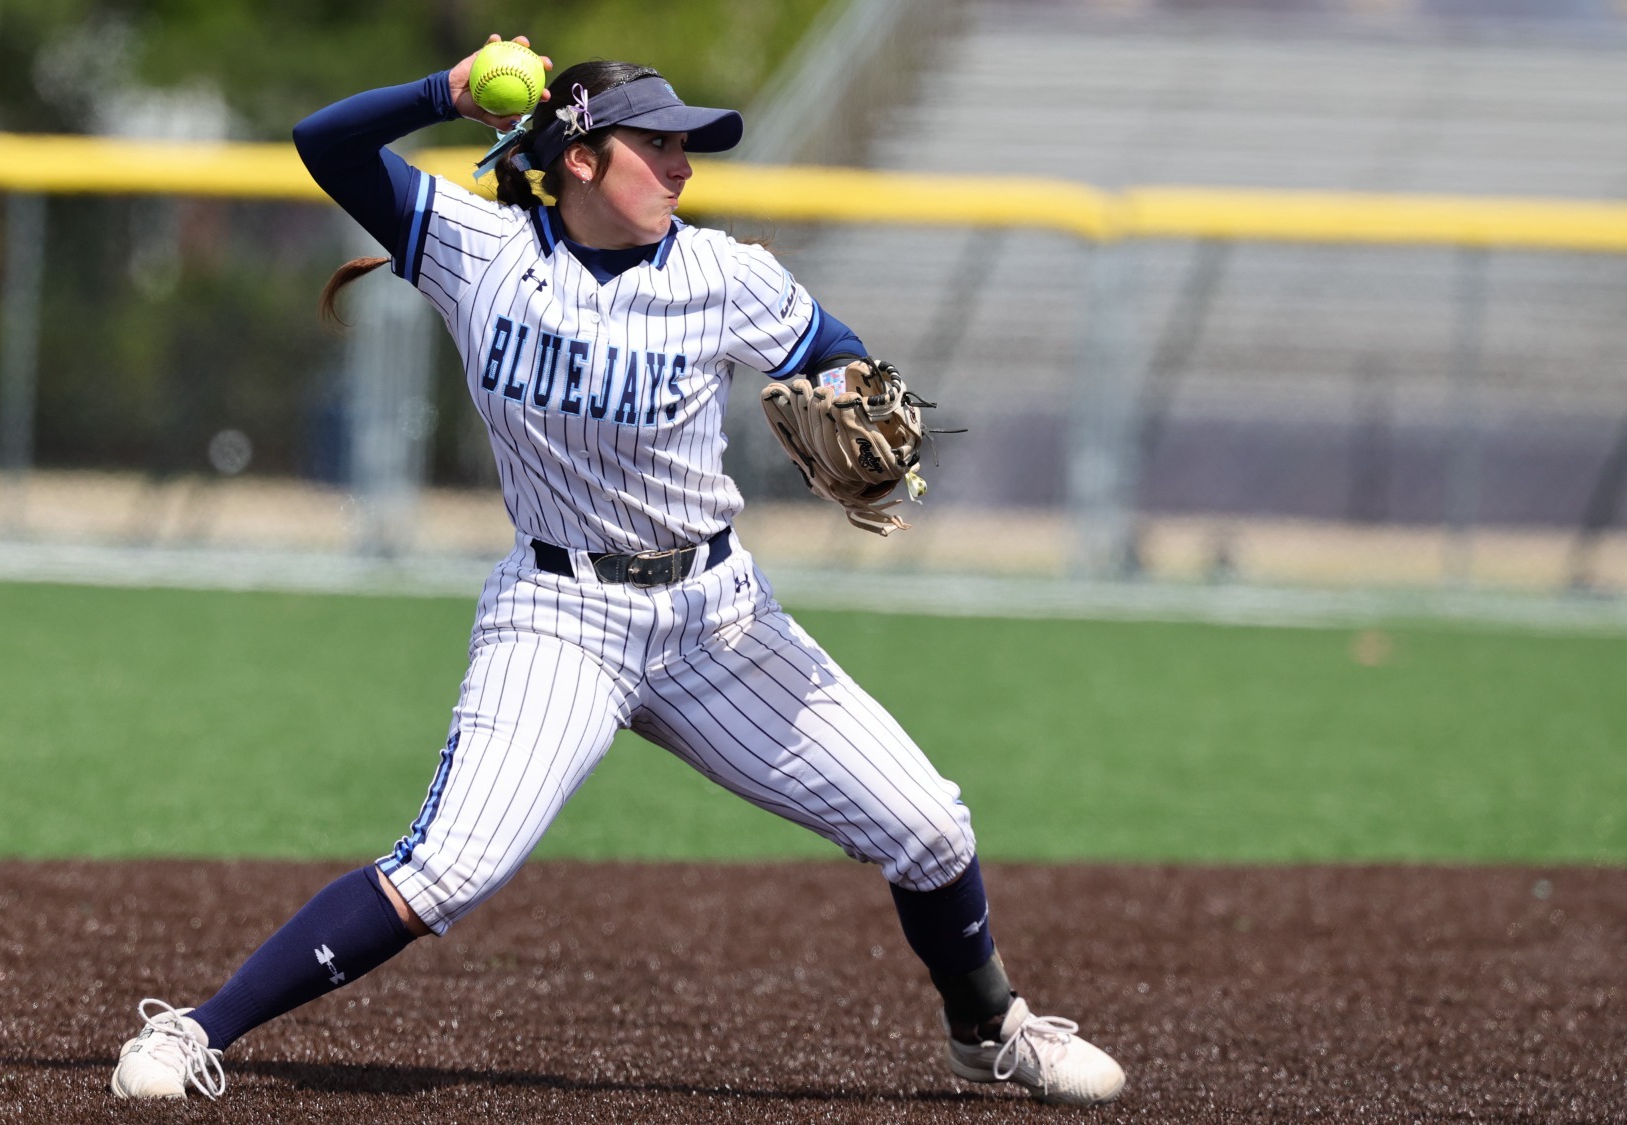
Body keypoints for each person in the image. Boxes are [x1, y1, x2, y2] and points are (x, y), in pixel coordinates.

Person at [109, 36, 1126, 1108]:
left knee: (928, 827)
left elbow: (839, 358)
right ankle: (193, 1030)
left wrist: (853, 399)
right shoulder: (477, 249)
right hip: (558, 618)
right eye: (661, 145)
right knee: (445, 868)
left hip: (716, 624)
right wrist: (441, 94)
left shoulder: (724, 275)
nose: (684, 166)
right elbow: (324, 144)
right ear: (583, 157)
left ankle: (988, 1028)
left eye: (688, 148)